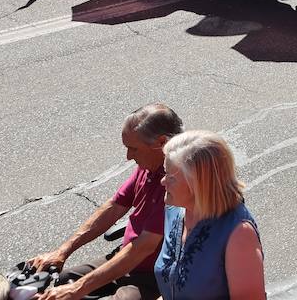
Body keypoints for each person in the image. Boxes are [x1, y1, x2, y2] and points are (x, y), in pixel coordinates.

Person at [30, 105, 184, 300]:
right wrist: (62, 252)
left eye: (133, 148)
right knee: (64, 280)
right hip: (125, 256)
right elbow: (114, 206)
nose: (128, 156)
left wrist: (76, 290)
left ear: (161, 142)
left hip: (151, 274)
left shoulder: (176, 181)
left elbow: (143, 248)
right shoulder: (150, 166)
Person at [156, 131, 265, 300]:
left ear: (198, 185)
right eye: (165, 173)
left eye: (171, 177)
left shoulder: (239, 234)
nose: (163, 181)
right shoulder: (174, 210)